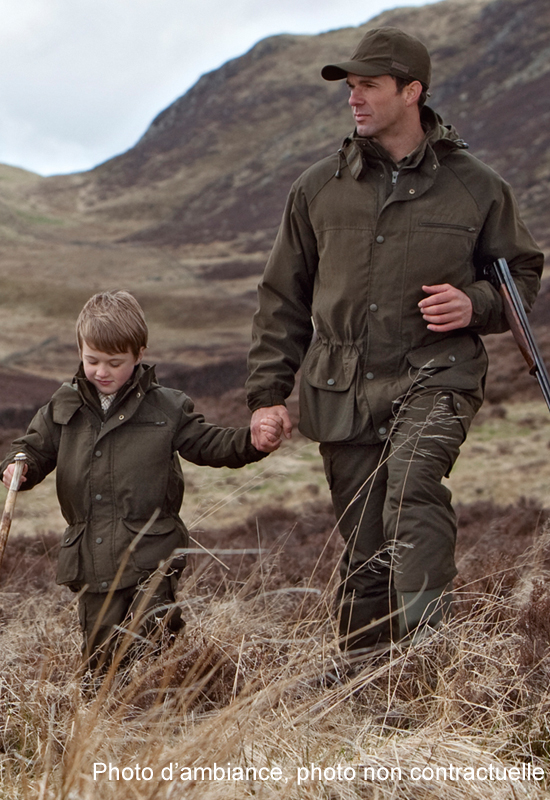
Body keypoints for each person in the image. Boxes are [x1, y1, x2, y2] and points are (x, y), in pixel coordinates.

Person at [246, 27, 543, 651]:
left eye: (369, 86)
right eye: (350, 87)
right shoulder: (316, 188)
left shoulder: (477, 186)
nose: (354, 99)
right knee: (365, 543)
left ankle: (430, 657)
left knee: (411, 491)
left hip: (437, 371)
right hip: (342, 387)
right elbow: (283, 300)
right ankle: (366, 679)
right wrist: (268, 394)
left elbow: (522, 272)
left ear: (412, 92)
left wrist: (476, 303)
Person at [1, 291, 282, 677]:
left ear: (139, 354)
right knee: (102, 659)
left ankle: (164, 706)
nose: (101, 371)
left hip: (153, 552)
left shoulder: (167, 408)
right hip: (91, 557)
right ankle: (103, 722)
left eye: (115, 363)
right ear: (80, 350)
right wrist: (19, 467)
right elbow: (31, 450)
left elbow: (209, 444)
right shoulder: (61, 408)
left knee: (152, 636)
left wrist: (251, 443)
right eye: (92, 360)